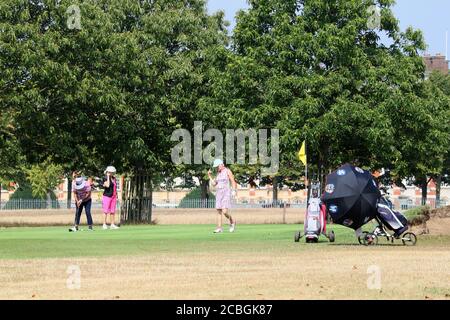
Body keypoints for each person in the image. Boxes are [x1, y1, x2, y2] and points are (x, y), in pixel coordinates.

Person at [208, 159, 237, 233]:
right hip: (218, 193)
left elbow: (233, 181)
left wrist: (234, 190)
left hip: (226, 193)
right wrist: (210, 176)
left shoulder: (228, 171)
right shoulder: (218, 173)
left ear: (221, 164)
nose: (217, 168)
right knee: (219, 211)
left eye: (217, 166)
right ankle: (219, 228)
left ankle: (232, 221)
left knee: (224, 211)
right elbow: (214, 184)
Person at [102, 166, 119, 230]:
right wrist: (108, 177)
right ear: (107, 172)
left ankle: (112, 224)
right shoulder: (105, 178)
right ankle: (104, 224)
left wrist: (116, 195)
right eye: (110, 172)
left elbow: (114, 187)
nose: (112, 173)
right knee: (105, 211)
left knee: (112, 211)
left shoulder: (114, 178)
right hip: (107, 196)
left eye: (112, 172)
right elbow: (108, 185)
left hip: (113, 196)